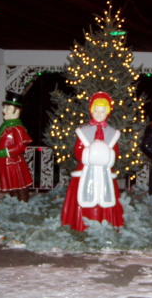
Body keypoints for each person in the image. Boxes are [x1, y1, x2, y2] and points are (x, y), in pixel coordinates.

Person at [61, 91, 124, 232]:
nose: (99, 114)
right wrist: (89, 154)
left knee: (106, 197)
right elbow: (78, 150)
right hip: (85, 170)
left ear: (107, 112)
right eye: (96, 110)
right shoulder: (83, 131)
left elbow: (116, 151)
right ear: (91, 111)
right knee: (82, 196)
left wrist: (107, 156)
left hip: (105, 172)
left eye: (102, 111)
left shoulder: (112, 133)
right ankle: (81, 225)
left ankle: (106, 224)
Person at [0, 91, 33, 202]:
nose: (4, 111)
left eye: (8, 108)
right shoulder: (5, 126)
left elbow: (20, 146)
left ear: (16, 110)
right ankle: (13, 202)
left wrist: (6, 152)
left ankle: (23, 202)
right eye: (5, 108)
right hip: (5, 164)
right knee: (11, 184)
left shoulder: (17, 128)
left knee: (19, 184)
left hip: (13, 163)